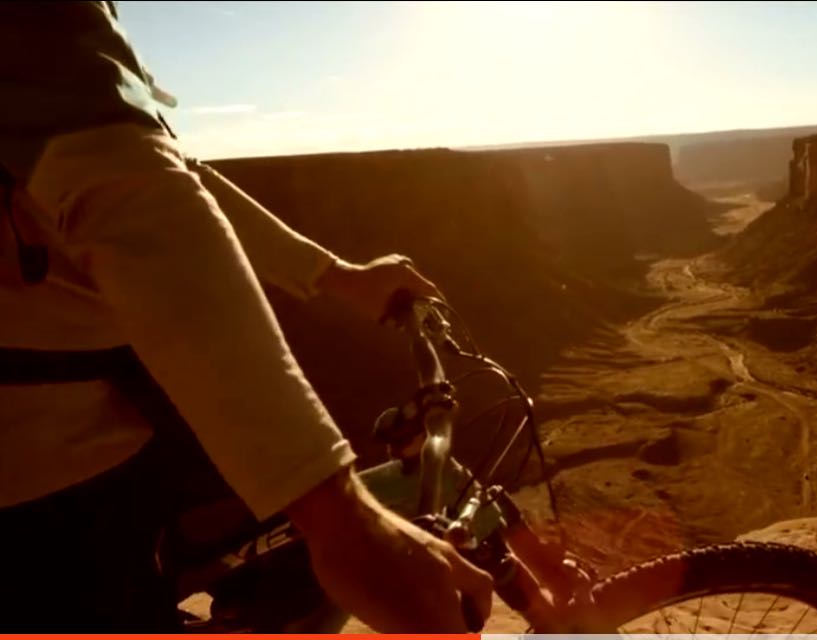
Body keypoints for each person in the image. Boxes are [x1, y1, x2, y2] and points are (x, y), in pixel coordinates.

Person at [0, 1, 493, 633]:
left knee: (263, 546)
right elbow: (125, 178)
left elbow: (167, 168)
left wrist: (335, 275)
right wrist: (341, 518)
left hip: (111, 415)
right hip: (50, 474)